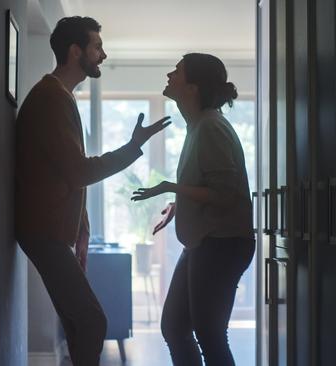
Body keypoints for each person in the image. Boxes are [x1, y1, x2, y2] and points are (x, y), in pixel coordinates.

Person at [15, 16, 171, 366]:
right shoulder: (52, 98)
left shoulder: (59, 96)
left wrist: (81, 229)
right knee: (92, 321)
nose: (103, 54)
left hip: (50, 231)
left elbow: (66, 171)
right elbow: (79, 171)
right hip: (43, 231)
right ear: (75, 51)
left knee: (78, 321)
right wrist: (133, 147)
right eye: (97, 46)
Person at [131, 53, 255, 366]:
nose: (169, 75)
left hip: (222, 244)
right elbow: (213, 188)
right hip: (206, 242)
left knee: (209, 334)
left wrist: (173, 188)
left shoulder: (210, 127)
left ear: (193, 87)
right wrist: (180, 202)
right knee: (175, 327)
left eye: (177, 71)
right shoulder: (198, 126)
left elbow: (227, 196)